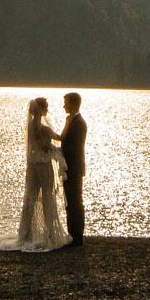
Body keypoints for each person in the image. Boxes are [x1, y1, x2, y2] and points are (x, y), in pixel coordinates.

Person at [0, 97, 67, 253]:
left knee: (30, 198)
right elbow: (57, 140)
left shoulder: (31, 127)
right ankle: (50, 233)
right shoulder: (44, 129)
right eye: (46, 108)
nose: (48, 110)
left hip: (32, 166)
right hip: (44, 166)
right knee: (47, 196)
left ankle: (25, 234)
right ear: (42, 110)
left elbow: (37, 146)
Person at [59, 92, 86, 249]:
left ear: (73, 104)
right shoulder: (73, 121)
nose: (64, 106)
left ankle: (76, 236)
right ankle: (73, 235)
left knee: (75, 202)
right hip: (72, 167)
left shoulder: (78, 123)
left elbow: (73, 147)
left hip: (73, 168)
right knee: (71, 202)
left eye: (66, 103)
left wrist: (57, 152)